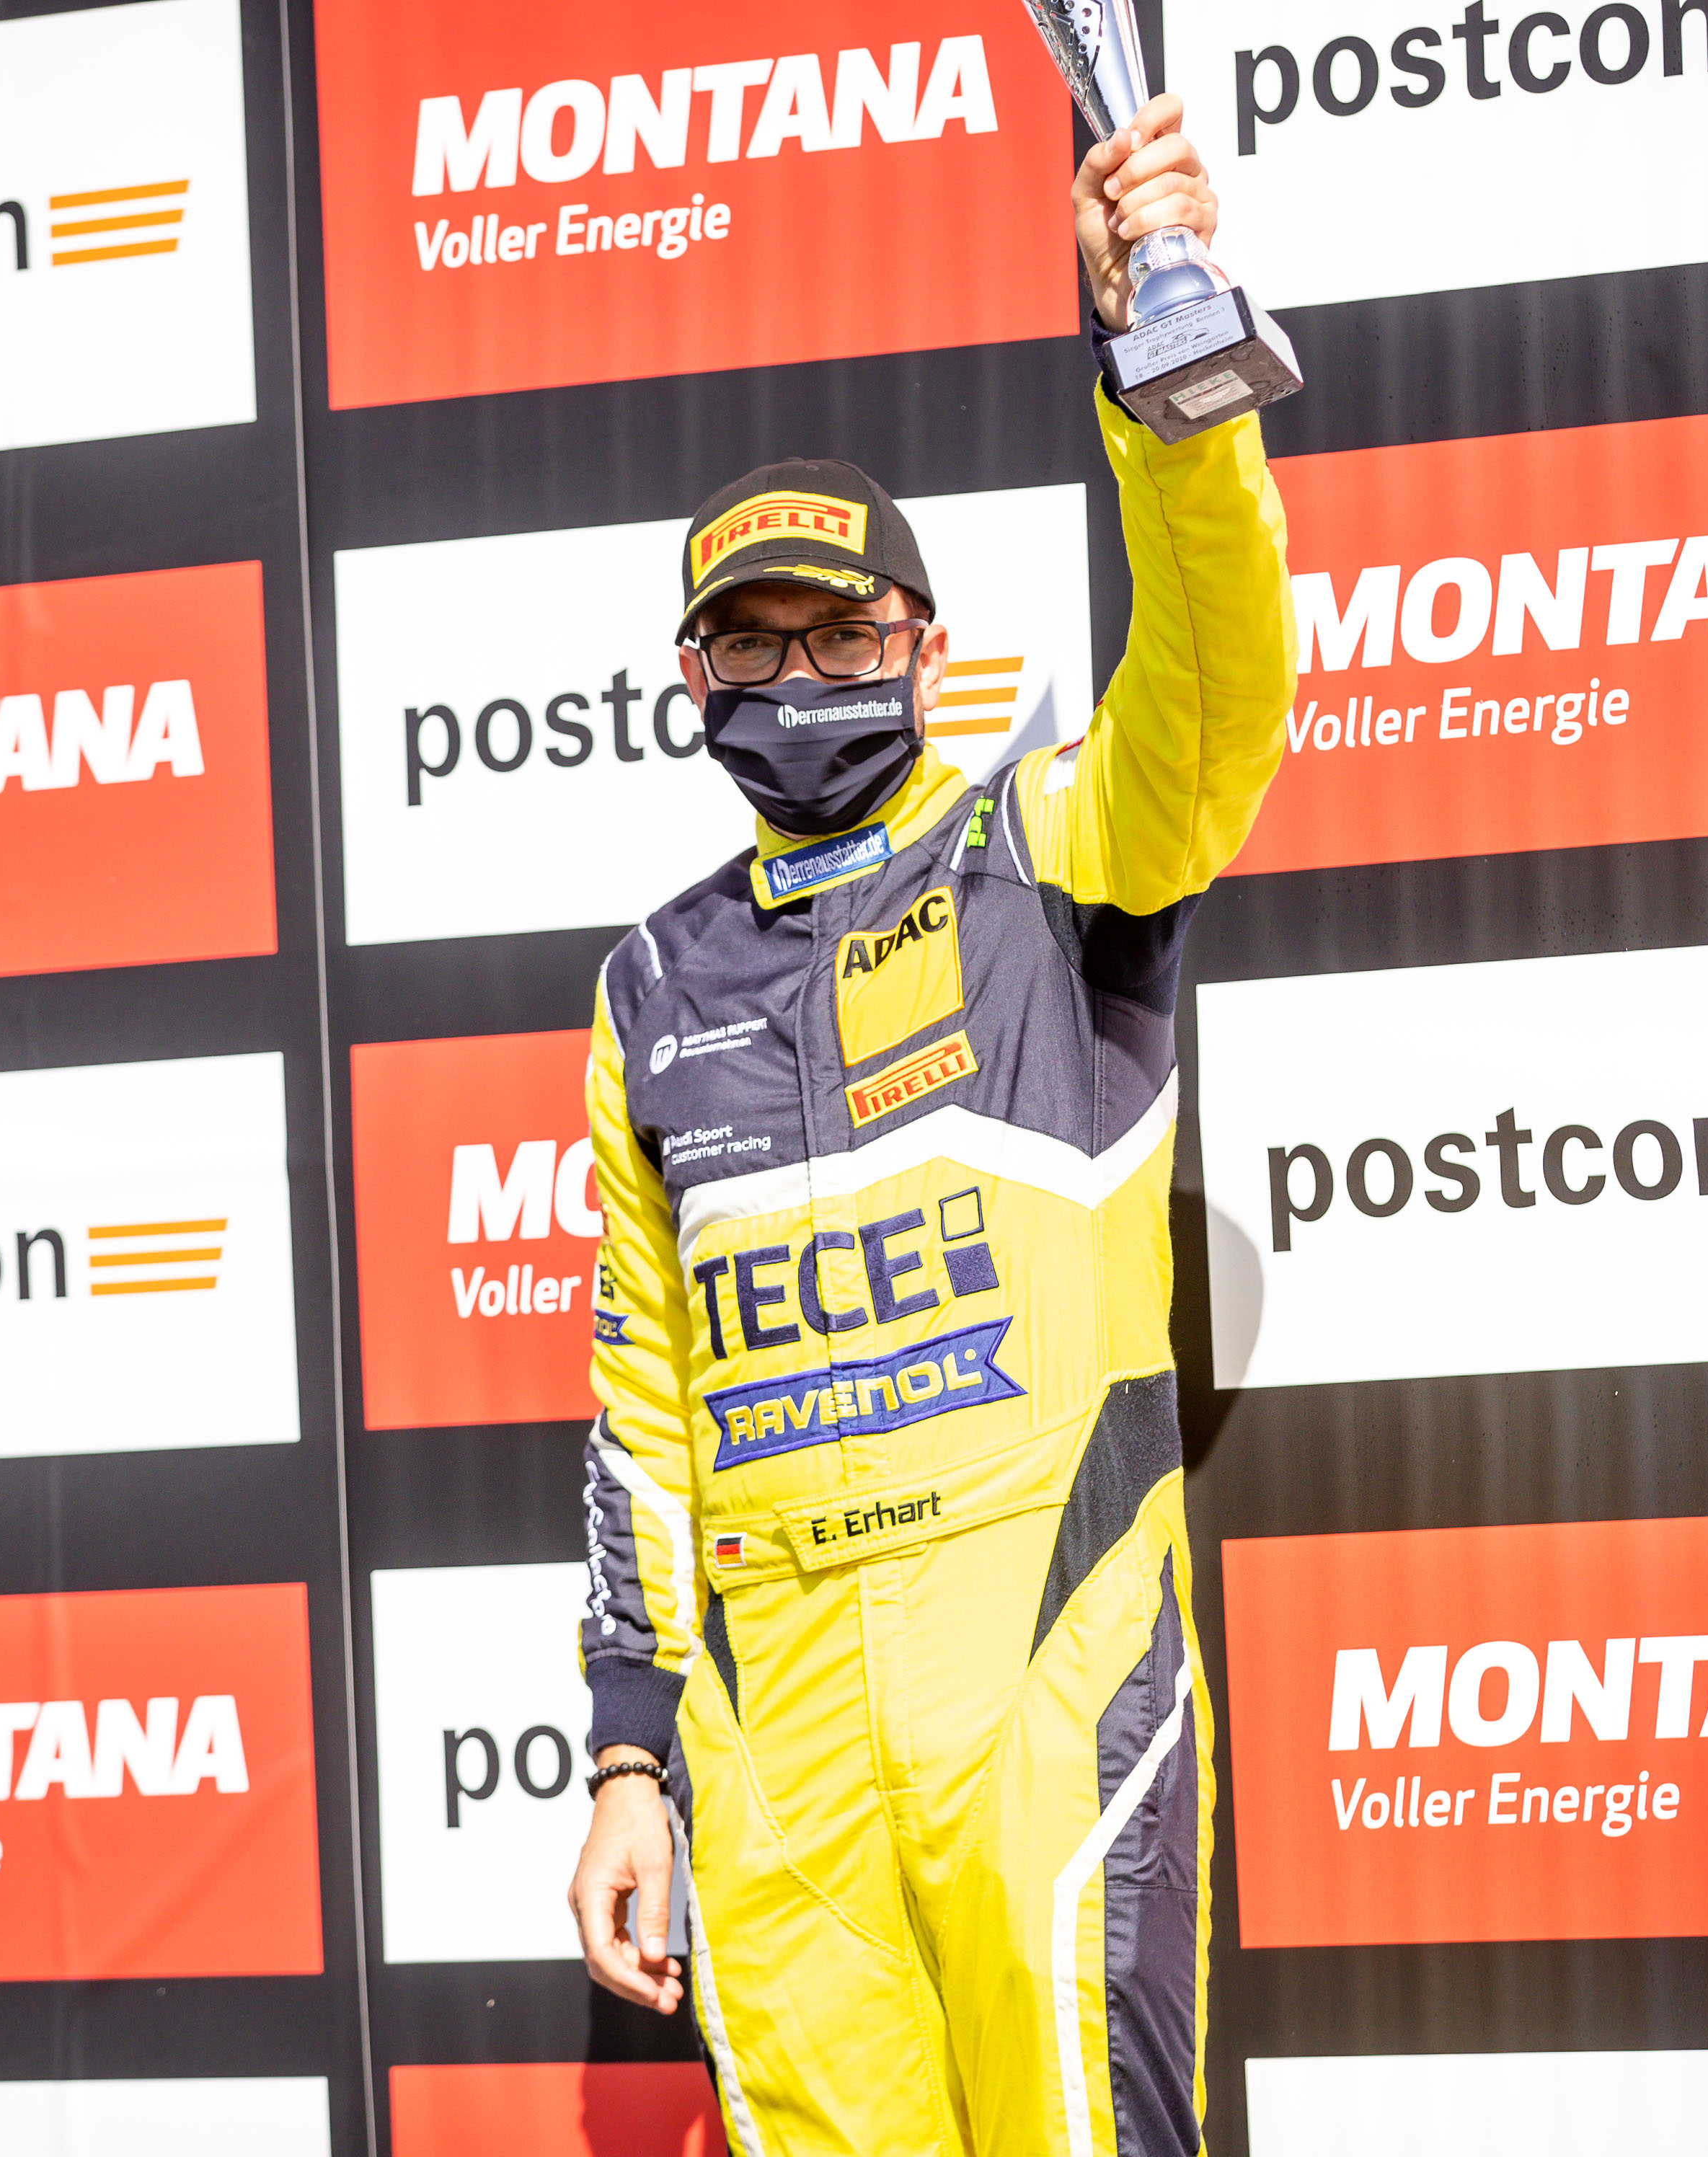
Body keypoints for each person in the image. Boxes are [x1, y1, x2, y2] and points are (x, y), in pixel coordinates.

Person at [566, 94, 1294, 2157]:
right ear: (694, 676)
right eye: (754, 641)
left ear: (924, 650)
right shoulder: (650, 988)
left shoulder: (1051, 849)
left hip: (1038, 1672)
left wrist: (1167, 384)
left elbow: (1220, 695)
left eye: (844, 632)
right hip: (772, 1755)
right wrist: (630, 1760)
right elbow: (646, 1409)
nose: (800, 671)